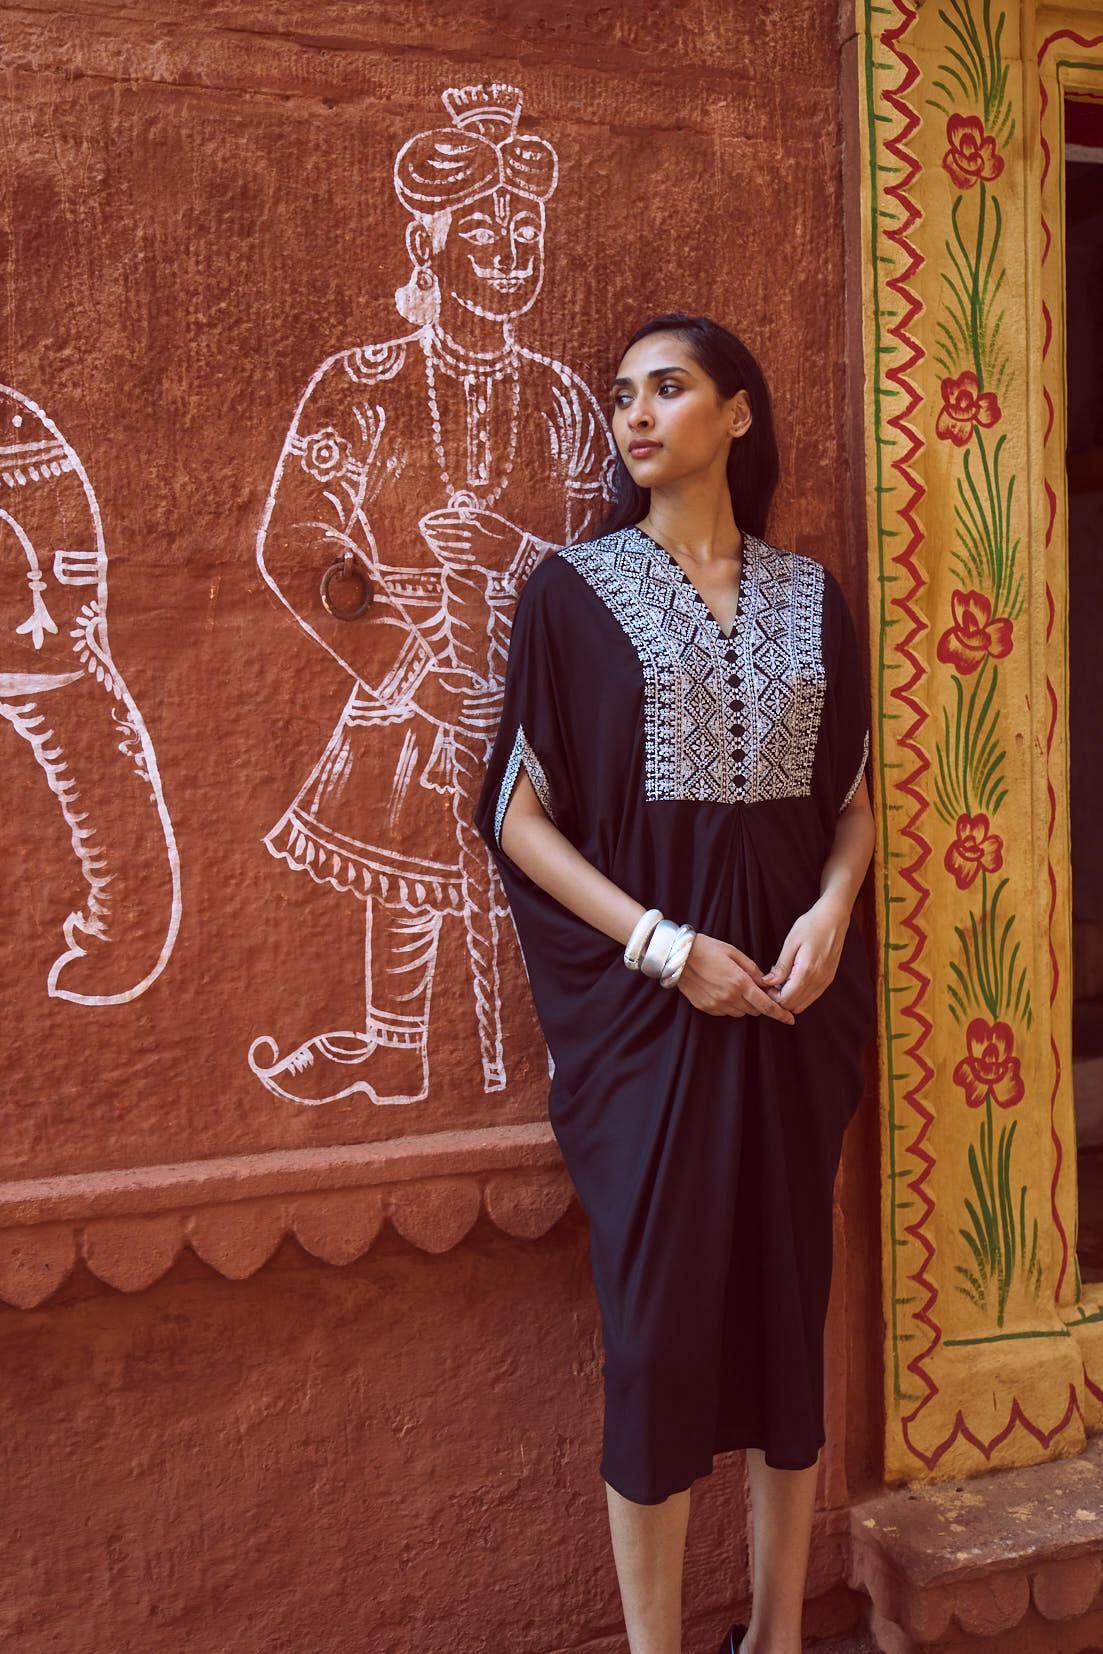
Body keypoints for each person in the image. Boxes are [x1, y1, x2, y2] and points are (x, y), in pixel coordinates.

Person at [471, 311, 876, 1654]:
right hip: (649, 1024)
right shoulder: (572, 595)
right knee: (655, 1342)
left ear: (737, 411)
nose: (635, 415)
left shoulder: (813, 596)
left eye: (668, 388)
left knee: (787, 1322)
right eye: (621, 396)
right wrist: (662, 945)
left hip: (788, 1009)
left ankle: (775, 1636)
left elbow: (853, 802)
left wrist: (831, 909)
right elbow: (516, 813)